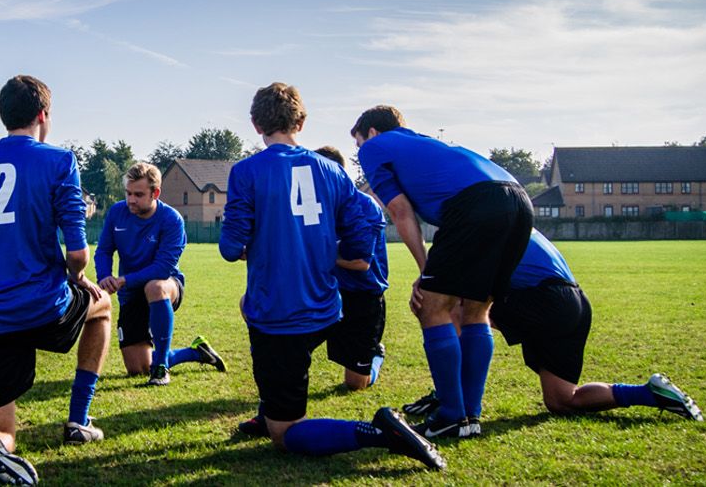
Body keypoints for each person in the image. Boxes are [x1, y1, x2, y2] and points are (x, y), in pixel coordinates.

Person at [219, 82, 442, 469]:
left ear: (256, 124)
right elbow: (370, 216)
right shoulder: (332, 172)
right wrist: (344, 251)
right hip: (328, 307)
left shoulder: (246, 172)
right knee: (253, 313)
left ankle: (377, 432)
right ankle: (271, 403)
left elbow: (229, 247)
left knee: (285, 435)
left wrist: (255, 243)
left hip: (280, 315)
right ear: (301, 122)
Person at [0, 75, 113, 485]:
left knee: (3, 431)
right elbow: (77, 253)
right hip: (43, 305)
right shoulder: (59, 161)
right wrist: (77, 277)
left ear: (4, 116)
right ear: (43, 114)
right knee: (103, 308)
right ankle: (79, 419)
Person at [352, 105, 533, 438]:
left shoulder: (376, 146)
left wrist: (426, 269)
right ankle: (469, 416)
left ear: (372, 133)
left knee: (432, 307)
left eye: (359, 143)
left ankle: (451, 414)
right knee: (476, 311)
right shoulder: (421, 144)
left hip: (476, 203)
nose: (360, 152)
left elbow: (401, 212)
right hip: (518, 200)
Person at [402, 230, 704, 423]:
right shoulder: (506, 216)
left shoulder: (478, 225)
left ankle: (449, 400)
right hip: (574, 303)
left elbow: (462, 291)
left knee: (452, 309)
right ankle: (648, 393)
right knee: (562, 400)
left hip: (546, 299)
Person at [95, 162, 224, 386]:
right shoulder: (117, 212)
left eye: (138, 194)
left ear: (155, 193)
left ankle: (162, 367)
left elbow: (162, 268)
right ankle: (196, 352)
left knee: (155, 286)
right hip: (130, 293)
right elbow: (104, 250)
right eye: (128, 193)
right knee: (138, 368)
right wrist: (105, 276)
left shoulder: (172, 220)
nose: (131, 199)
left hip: (167, 287)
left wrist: (124, 279)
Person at [312, 146, 388, 391]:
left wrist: (318, 254)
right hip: (328, 291)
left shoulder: (363, 207)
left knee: (355, 385)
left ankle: (375, 356)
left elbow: (360, 263)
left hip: (362, 295)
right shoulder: (315, 205)